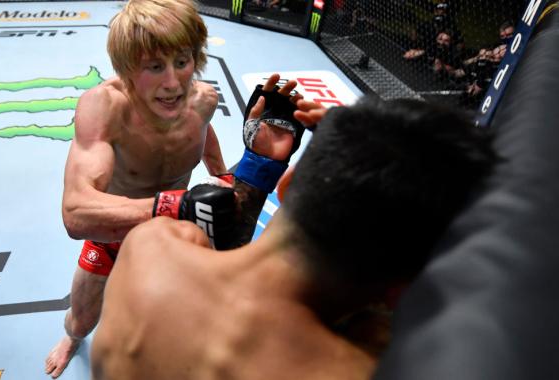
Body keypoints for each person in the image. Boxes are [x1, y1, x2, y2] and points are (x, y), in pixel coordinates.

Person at [90, 90, 497, 379]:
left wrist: (272, 165)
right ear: (404, 284)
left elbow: (236, 281)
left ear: (286, 185)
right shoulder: (364, 363)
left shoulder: (153, 250)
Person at [44, 0, 230, 377]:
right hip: (116, 226)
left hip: (179, 228)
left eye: (182, 61)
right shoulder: (105, 107)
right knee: (80, 319)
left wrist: (221, 173)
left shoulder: (204, 100)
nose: (173, 83)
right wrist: (174, 205)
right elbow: (76, 212)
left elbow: (201, 133)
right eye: (155, 67)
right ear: (128, 68)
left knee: (188, 313)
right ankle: (72, 340)